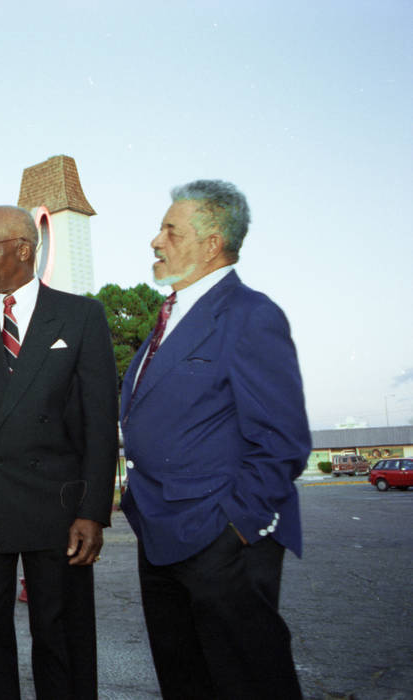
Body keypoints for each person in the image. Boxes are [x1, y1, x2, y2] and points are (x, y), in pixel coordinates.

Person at [120, 180, 310, 699]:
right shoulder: (172, 318)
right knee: (187, 684)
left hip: (218, 541)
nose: (155, 241)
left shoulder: (251, 315)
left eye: (170, 230)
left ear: (211, 243)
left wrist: (235, 529)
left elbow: (282, 439)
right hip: (160, 536)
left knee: (248, 682)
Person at [0, 205, 118, 699]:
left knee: (61, 634)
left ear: (25, 250)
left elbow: (99, 424)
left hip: (59, 507)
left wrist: (93, 511)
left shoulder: (81, 317)